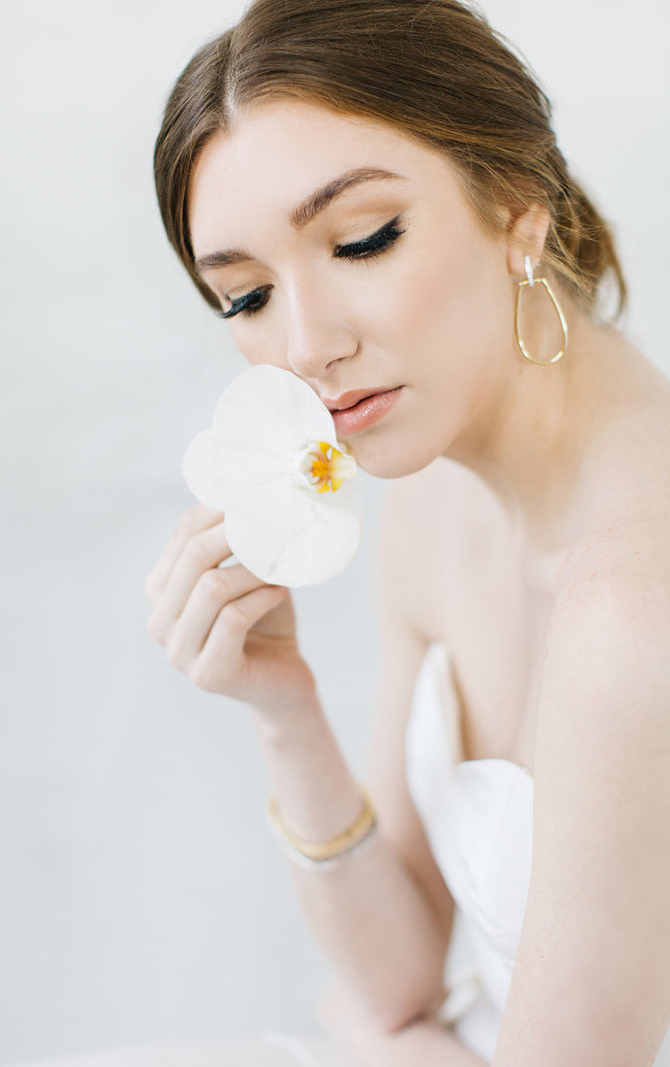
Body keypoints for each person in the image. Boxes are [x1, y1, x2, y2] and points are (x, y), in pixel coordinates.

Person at [145, 1, 670, 1065]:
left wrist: (394, 1044)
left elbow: (387, 1022)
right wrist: (286, 713)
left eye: (361, 239)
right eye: (243, 296)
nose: (304, 344)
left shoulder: (632, 597)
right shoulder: (432, 502)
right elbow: (397, 975)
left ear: (516, 203)